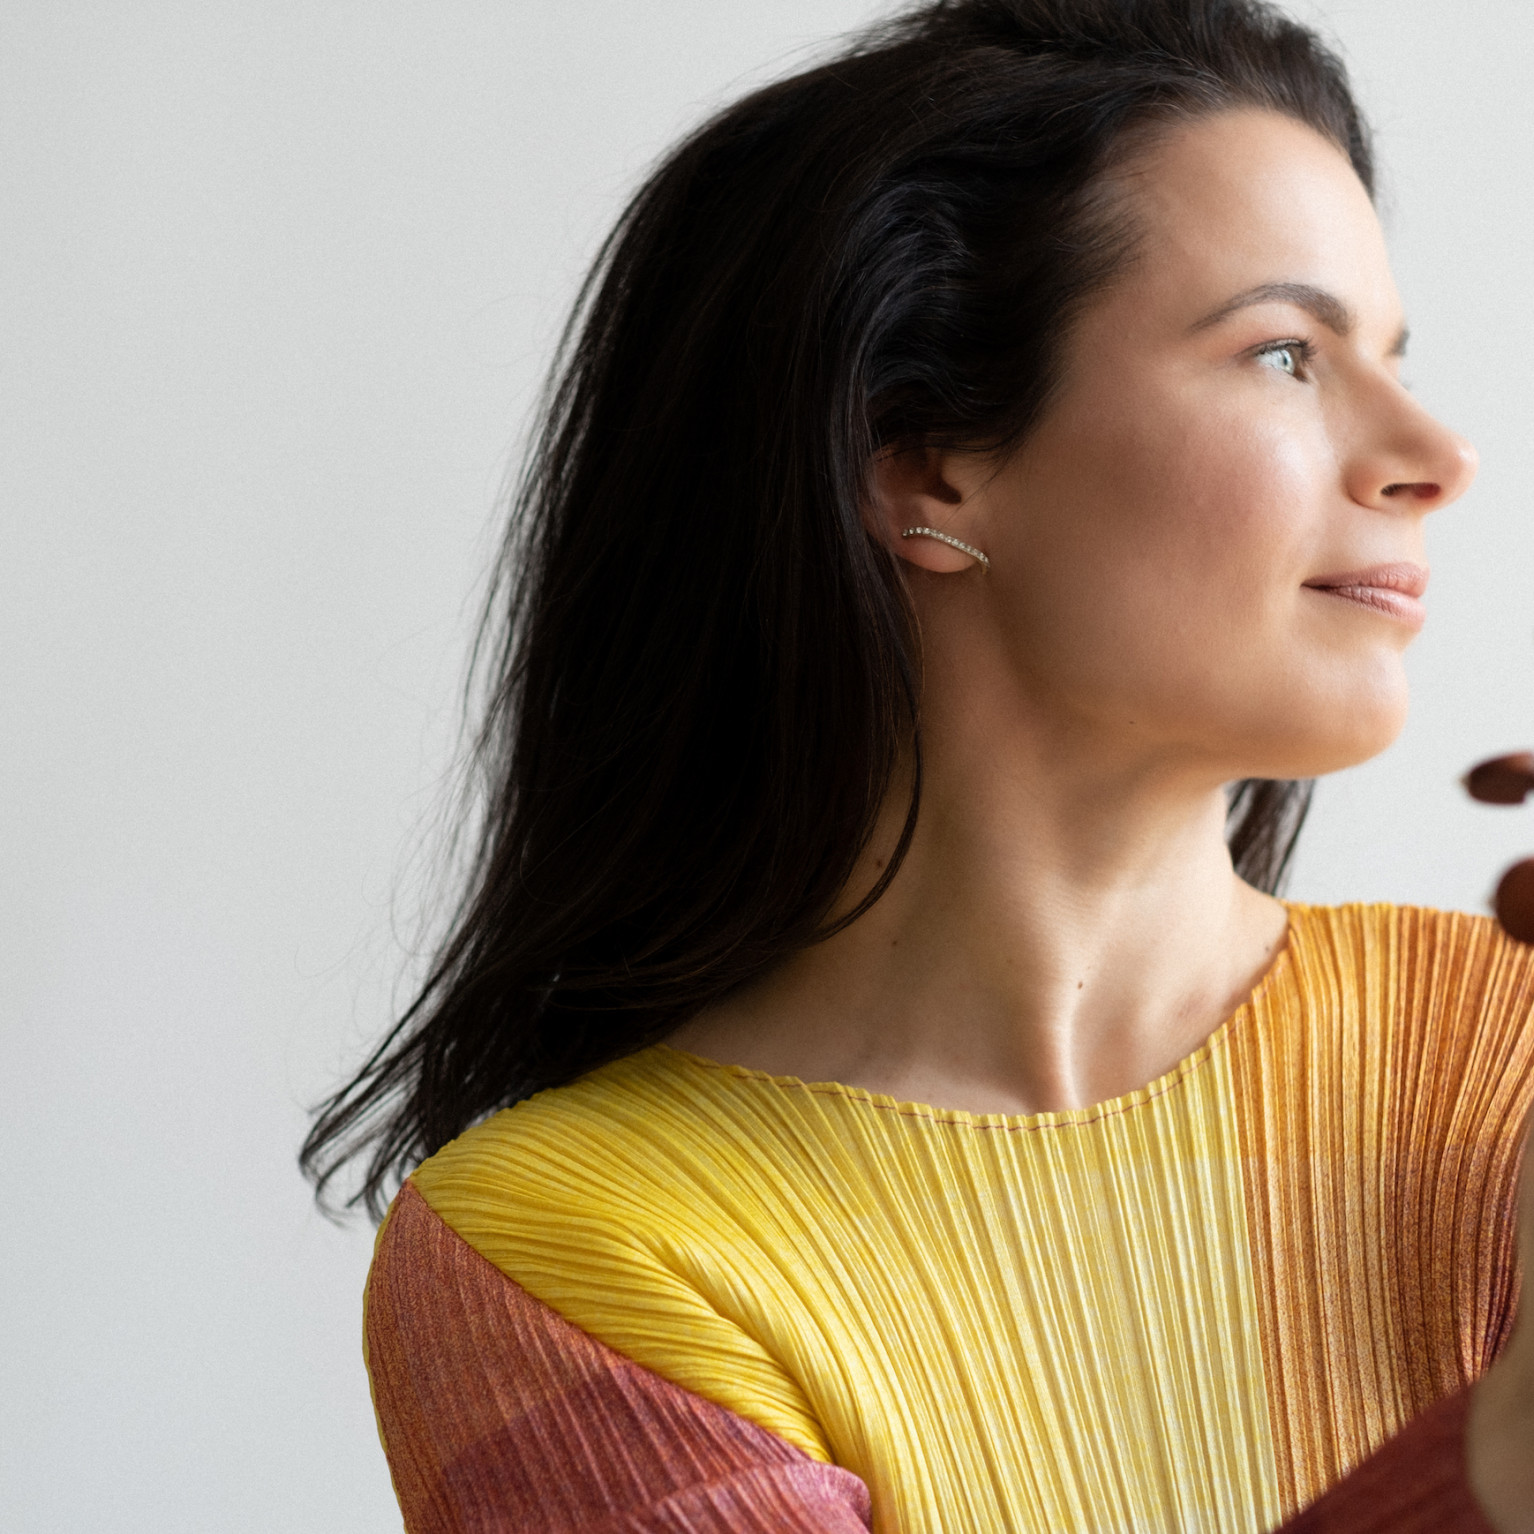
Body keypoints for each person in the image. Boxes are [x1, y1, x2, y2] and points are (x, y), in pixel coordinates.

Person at [304, 1, 1534, 1528]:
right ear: (922, 461)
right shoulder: (573, 1251)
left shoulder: (1505, 1067)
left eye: (1391, 354)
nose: (1433, 450)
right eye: (1284, 353)